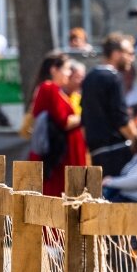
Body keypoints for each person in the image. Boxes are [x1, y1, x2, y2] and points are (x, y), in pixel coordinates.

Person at [28, 51, 86, 196]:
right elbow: (64, 121)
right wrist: (85, 116)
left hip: (63, 155)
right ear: (54, 69)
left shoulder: (56, 90)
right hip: (58, 159)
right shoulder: (49, 88)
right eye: (66, 69)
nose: (68, 73)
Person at [81, 33, 137, 176]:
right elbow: (121, 118)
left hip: (96, 152)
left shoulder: (90, 77)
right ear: (116, 53)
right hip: (116, 152)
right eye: (129, 53)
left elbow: (84, 120)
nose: (132, 58)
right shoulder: (113, 78)